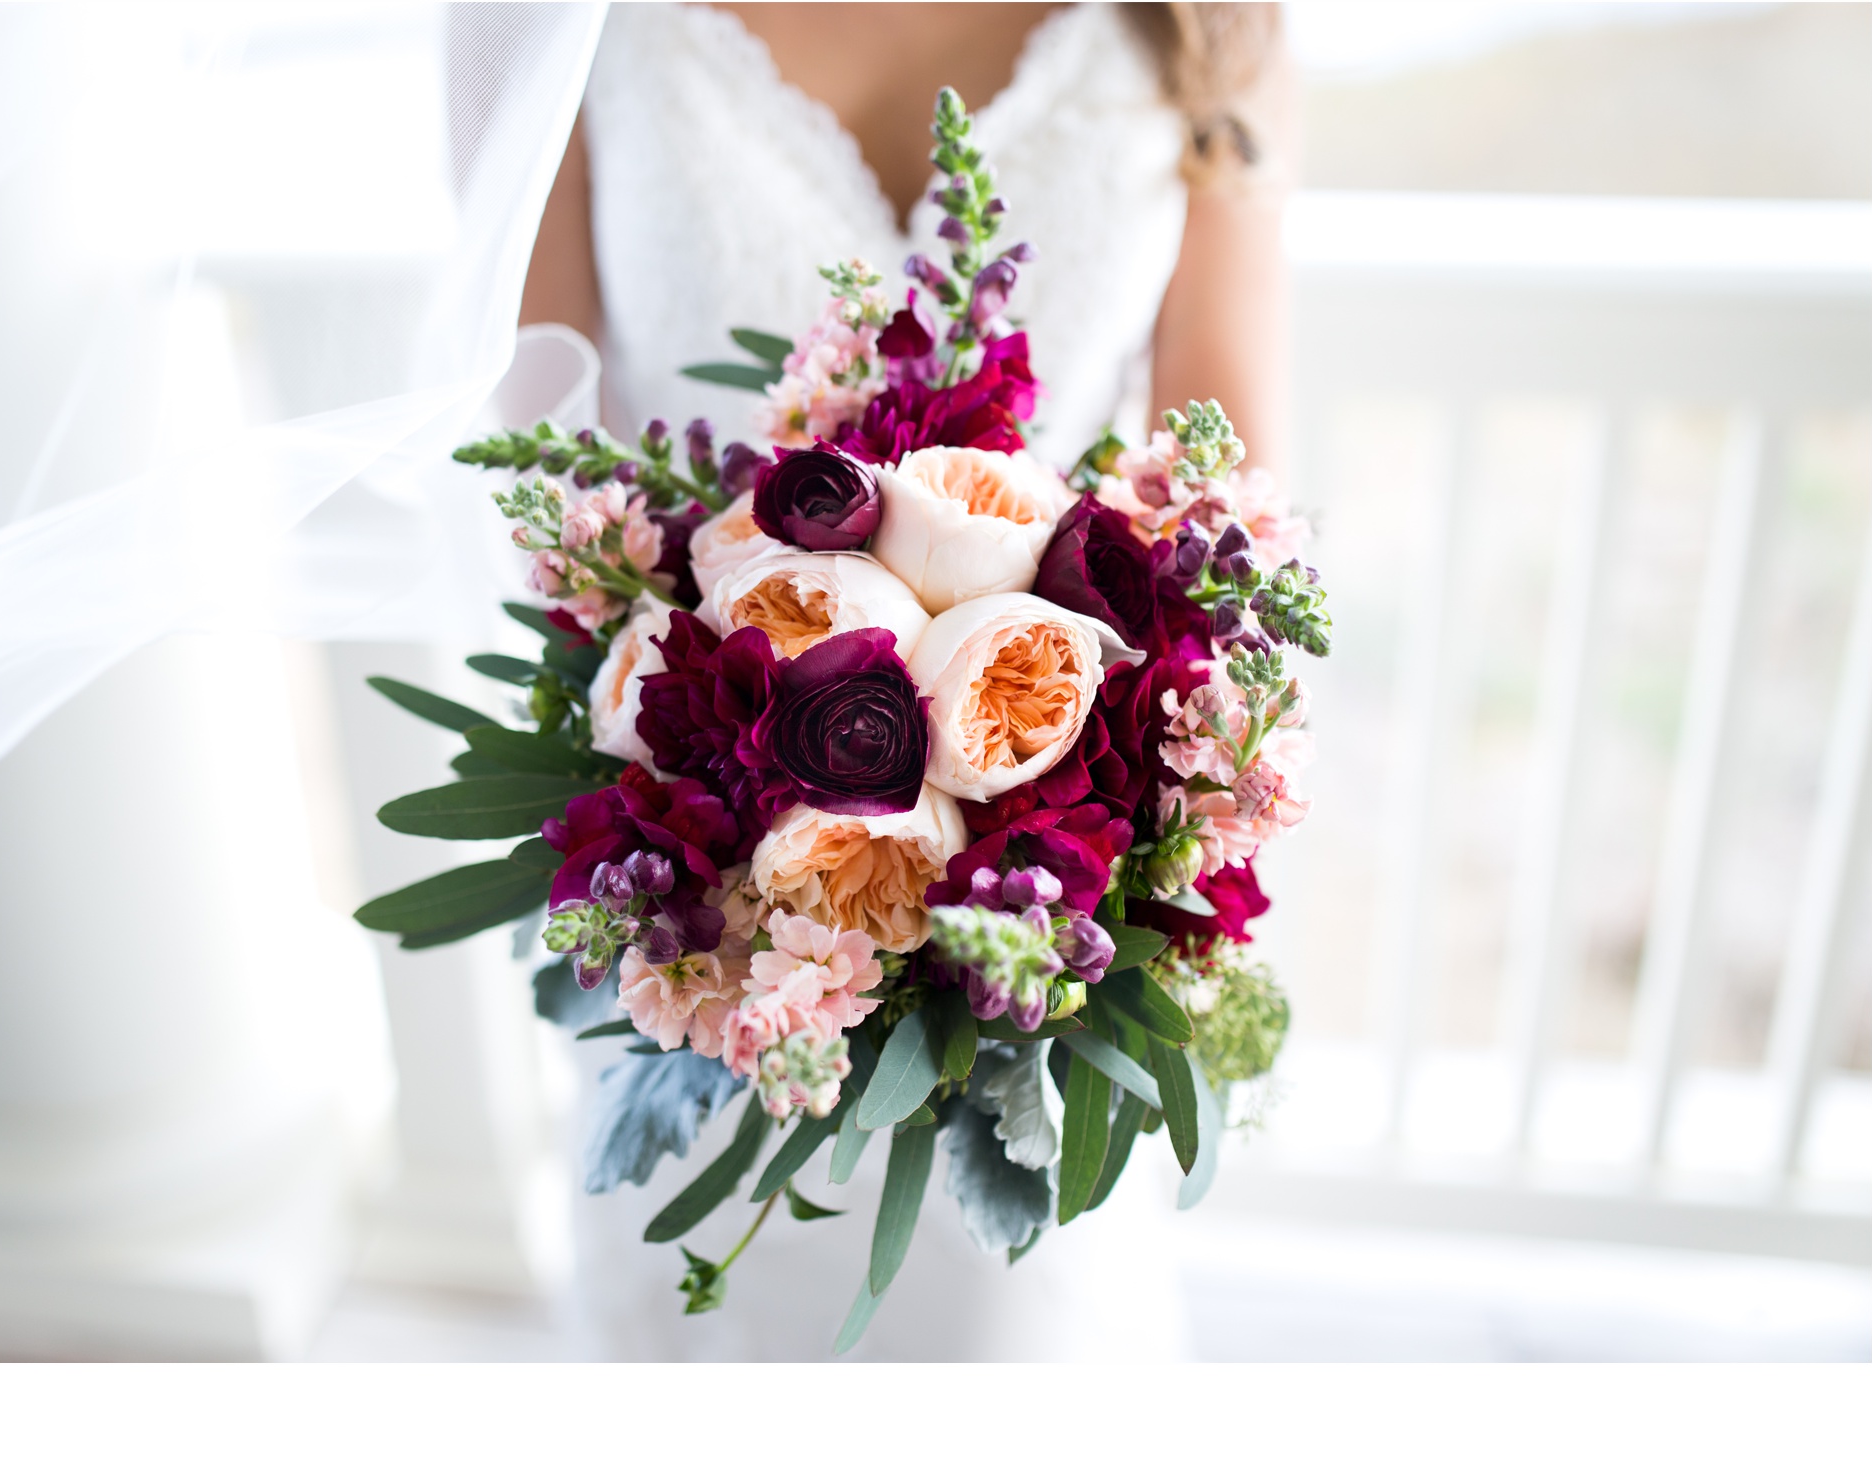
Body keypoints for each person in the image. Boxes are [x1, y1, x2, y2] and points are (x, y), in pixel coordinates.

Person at [489, 1, 1294, 1361]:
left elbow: (1229, 507)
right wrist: (743, 870)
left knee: (1001, 1322)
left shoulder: (1209, 24)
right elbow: (536, 473)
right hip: (700, 897)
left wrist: (1107, 833)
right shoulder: (566, 21)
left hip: (1047, 906)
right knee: (716, 1302)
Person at [514, 2, 1292, 477]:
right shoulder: (565, 17)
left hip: (1066, 719)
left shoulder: (1206, 18)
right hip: (683, 724)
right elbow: (535, 430)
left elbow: (1221, 479)